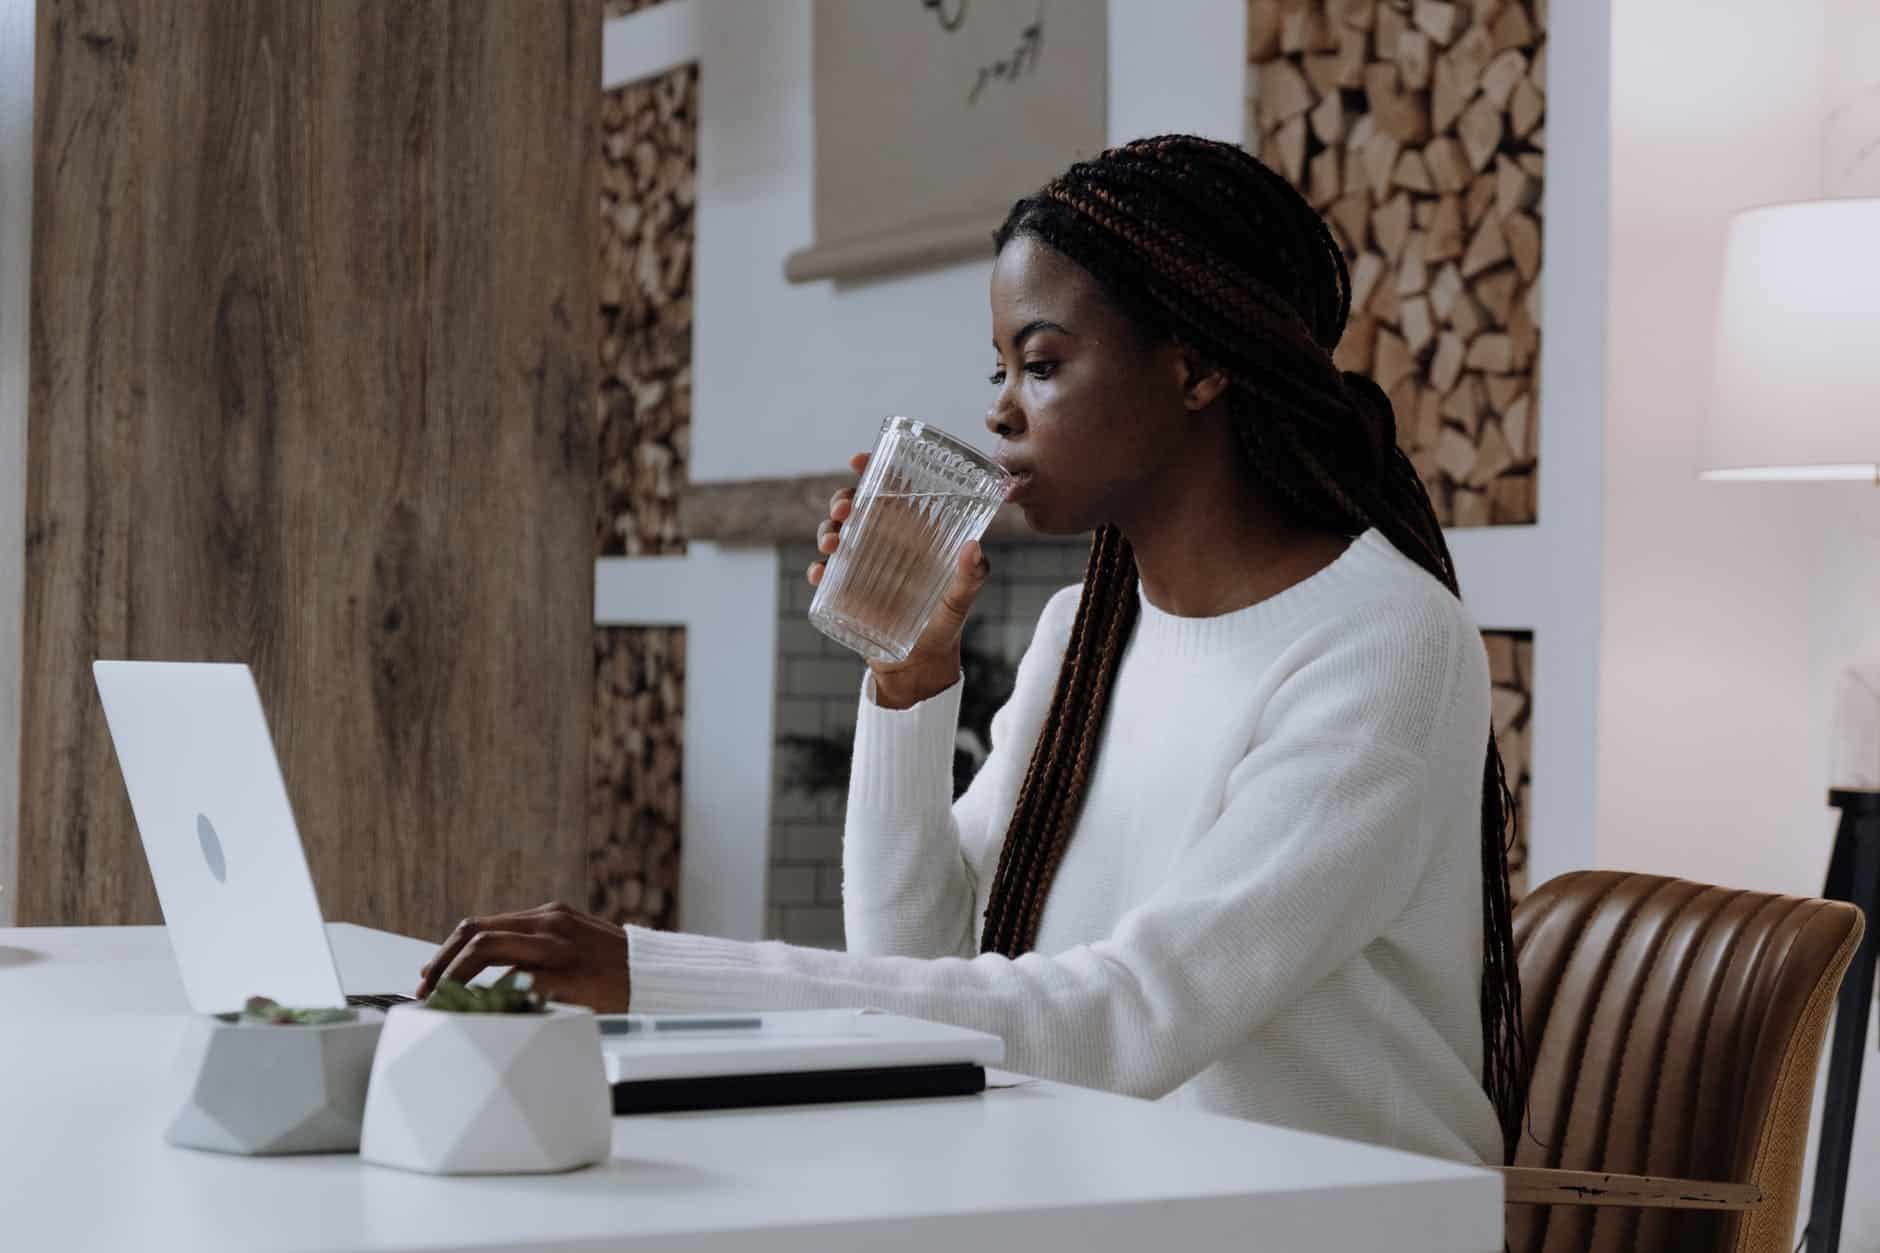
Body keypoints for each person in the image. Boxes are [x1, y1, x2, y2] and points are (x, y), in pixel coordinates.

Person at [417, 134, 1525, 1165]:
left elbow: (1124, 1019)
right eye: (995, 369)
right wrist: (909, 683)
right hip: (1110, 1191)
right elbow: (924, 956)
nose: (998, 411)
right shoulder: (1085, 631)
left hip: (1331, 1217)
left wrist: (649, 971)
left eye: (1038, 364)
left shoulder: (1382, 645)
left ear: (1195, 369)